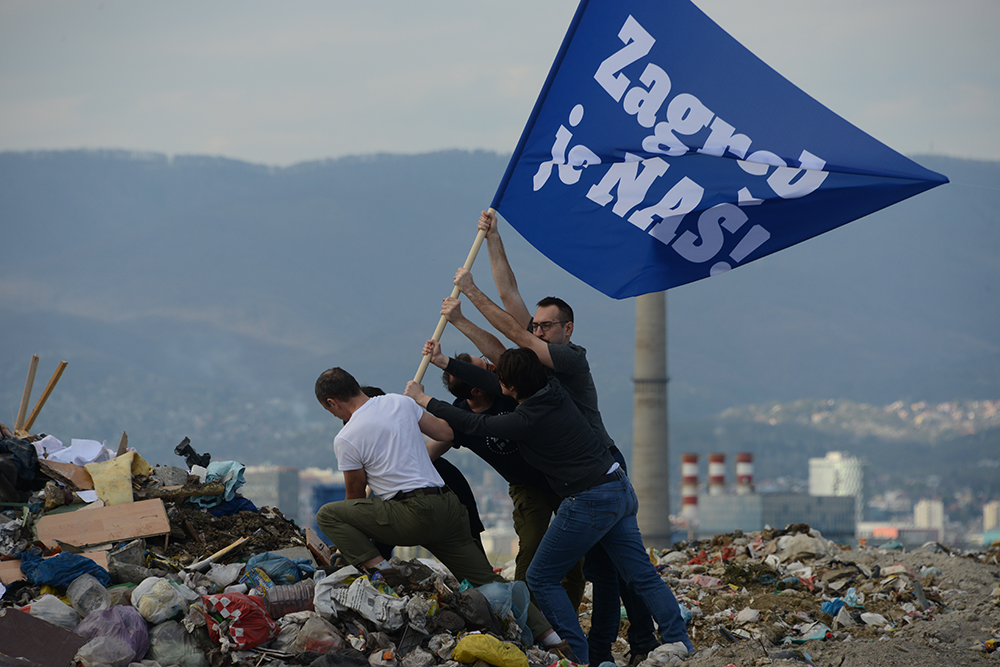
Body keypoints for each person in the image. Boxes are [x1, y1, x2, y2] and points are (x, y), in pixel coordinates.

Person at [449, 210, 662, 664]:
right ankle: (604, 651)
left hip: (600, 466)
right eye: (537, 325)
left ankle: (638, 642)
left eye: (545, 326)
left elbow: (509, 325)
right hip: (578, 476)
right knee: (605, 571)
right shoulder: (532, 360)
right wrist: (494, 238)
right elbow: (510, 302)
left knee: (617, 573)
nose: (537, 330)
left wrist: (469, 294)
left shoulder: (562, 359)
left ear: (566, 329)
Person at [405, 348, 693, 665]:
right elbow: (487, 380)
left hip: (588, 499)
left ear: (510, 387)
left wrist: (425, 401)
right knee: (643, 577)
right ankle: (681, 644)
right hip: (617, 485)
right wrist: (445, 363)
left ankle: (579, 658)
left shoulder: (524, 420)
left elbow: (474, 423)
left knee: (541, 576)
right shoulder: (552, 389)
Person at [312, 367, 567, 655]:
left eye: (330, 410)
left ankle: (380, 570)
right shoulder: (399, 401)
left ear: (332, 403)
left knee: (328, 514)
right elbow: (446, 432)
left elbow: (355, 495)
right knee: (489, 581)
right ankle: (553, 639)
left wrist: (354, 547)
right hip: (447, 506)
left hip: (410, 514)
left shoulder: (346, 436)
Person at [422, 340, 586, 611]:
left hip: (559, 479)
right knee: (530, 550)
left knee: (574, 560)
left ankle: (566, 621)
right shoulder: (460, 416)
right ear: (476, 388)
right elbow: (434, 448)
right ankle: (526, 617)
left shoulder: (511, 395)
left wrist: (443, 358)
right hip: (526, 488)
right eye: (485, 369)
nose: (493, 369)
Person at [359, 386, 486, 559]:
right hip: (432, 515)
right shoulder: (387, 467)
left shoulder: (427, 470)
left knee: (475, 563)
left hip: (448, 516)